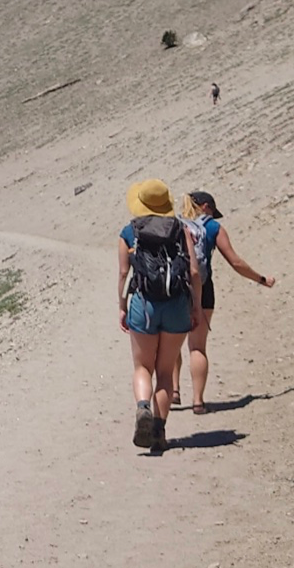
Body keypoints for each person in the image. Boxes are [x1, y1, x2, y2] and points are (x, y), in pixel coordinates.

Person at [117, 178, 200, 452]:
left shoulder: (129, 232)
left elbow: (122, 274)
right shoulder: (181, 229)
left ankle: (143, 408)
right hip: (176, 304)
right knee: (165, 371)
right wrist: (196, 307)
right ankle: (159, 431)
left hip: (144, 303)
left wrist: (122, 306)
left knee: (143, 367)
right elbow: (195, 273)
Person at [180, 190, 274, 414]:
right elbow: (235, 261)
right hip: (203, 289)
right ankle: (198, 401)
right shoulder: (213, 228)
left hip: (175, 289)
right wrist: (261, 279)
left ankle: (173, 391)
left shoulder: (176, 226)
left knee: (173, 343)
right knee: (197, 347)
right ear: (205, 206)